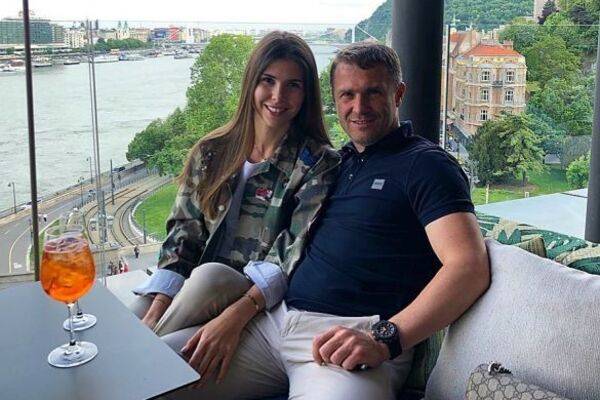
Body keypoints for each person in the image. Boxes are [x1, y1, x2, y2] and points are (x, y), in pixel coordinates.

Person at [162, 42, 490, 400]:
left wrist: (386, 338)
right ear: (335, 100)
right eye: (347, 95)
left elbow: (468, 265)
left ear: (398, 94)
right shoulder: (333, 165)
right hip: (275, 324)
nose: (359, 107)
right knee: (150, 375)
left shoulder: (425, 165)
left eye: (373, 92)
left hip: (351, 338)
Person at [129, 31, 340, 366]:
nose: (278, 96)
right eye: (268, 81)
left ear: (306, 94)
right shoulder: (211, 151)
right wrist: (157, 308)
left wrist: (236, 315)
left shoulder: (316, 163)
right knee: (136, 313)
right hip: (194, 286)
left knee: (209, 277)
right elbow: (184, 233)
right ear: (251, 83)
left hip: (251, 292)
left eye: (293, 85)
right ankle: (136, 359)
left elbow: (290, 252)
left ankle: (135, 365)